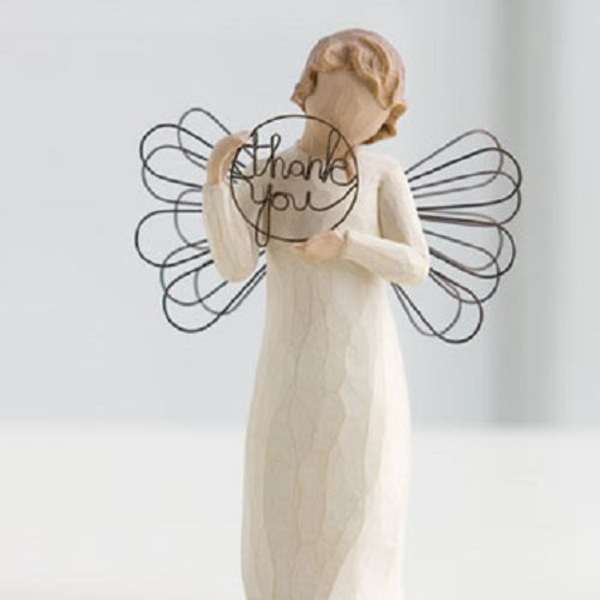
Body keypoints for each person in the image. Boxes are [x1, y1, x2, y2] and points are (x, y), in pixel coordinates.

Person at [203, 28, 430, 600]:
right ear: (307, 89)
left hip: (366, 374)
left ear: (385, 117)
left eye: (369, 107)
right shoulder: (273, 173)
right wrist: (217, 183)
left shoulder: (382, 175)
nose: (350, 118)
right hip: (289, 368)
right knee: (284, 491)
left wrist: (349, 246)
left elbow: (415, 263)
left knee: (362, 496)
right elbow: (234, 262)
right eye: (339, 95)